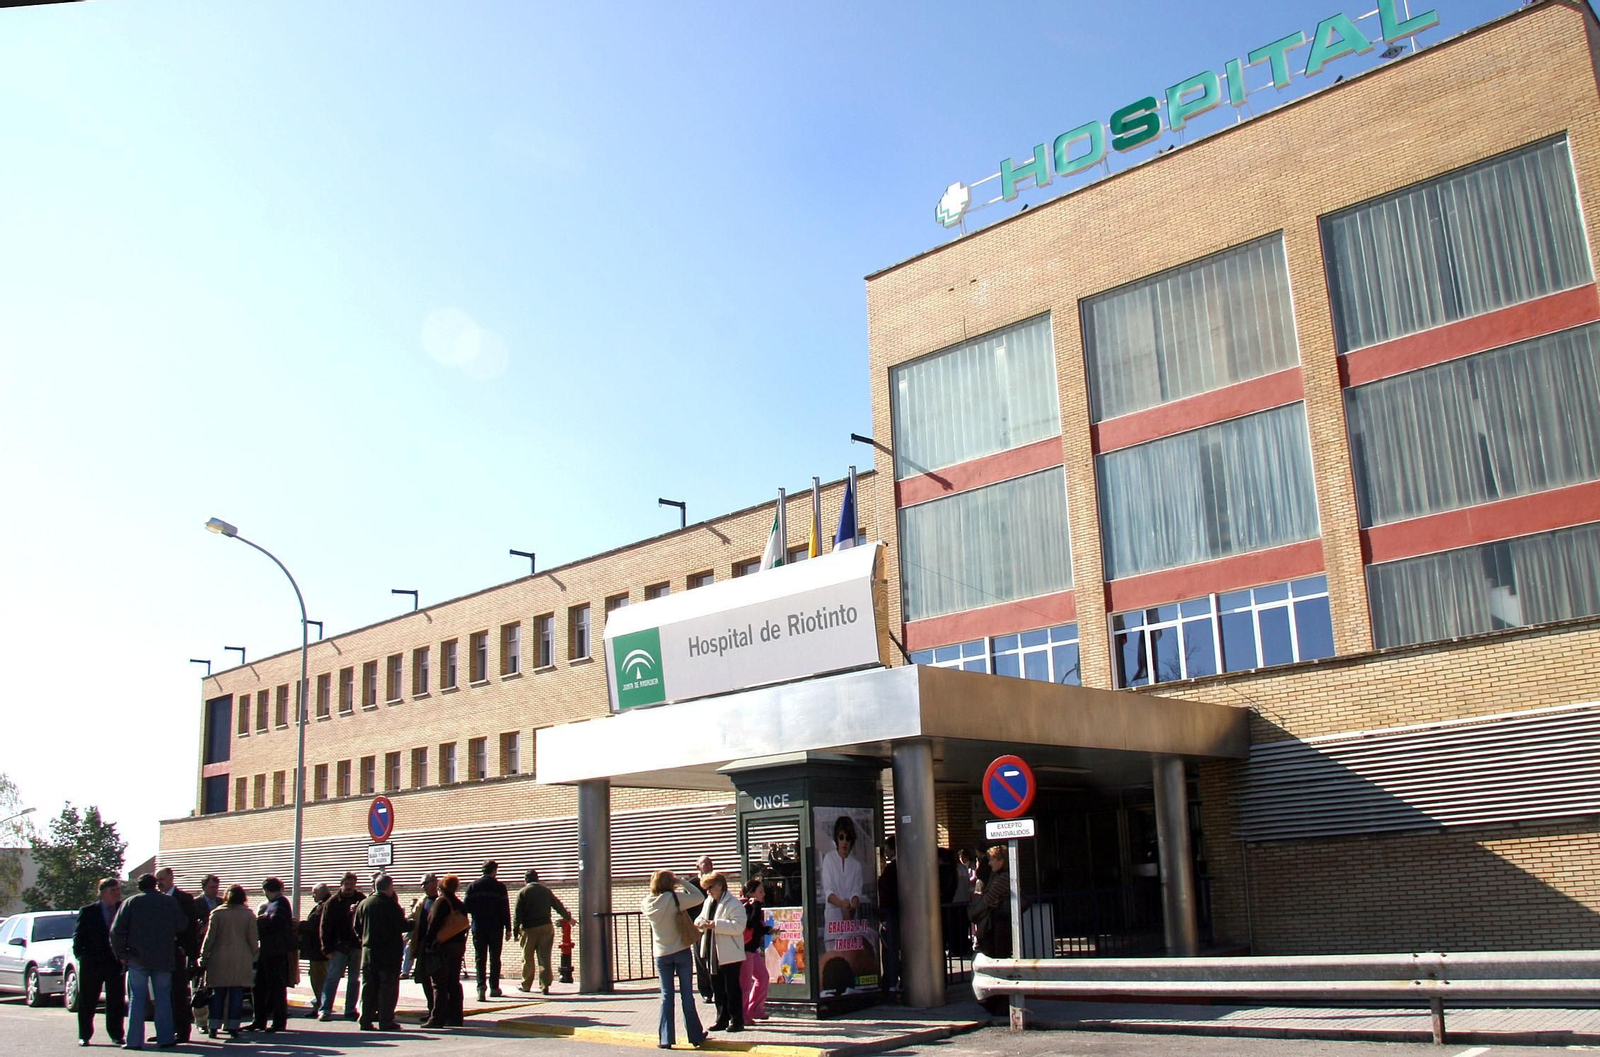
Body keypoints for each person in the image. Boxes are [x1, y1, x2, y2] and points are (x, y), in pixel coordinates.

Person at [109, 872, 189, 1050]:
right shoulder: (169, 902)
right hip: (164, 956)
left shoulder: (131, 902)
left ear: (139, 886)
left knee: (137, 998)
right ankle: (165, 1037)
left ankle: (134, 1040)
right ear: (155, 885)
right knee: (163, 997)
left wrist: (121, 954)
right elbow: (182, 924)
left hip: (137, 957)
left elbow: (116, 931)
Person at [642, 869, 706, 1050]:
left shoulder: (646, 903)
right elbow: (699, 897)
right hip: (681, 950)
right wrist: (682, 881)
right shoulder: (674, 898)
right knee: (687, 994)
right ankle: (695, 1035)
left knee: (666, 995)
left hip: (661, 953)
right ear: (670, 883)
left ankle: (666, 1038)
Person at [198, 884, 258, 1038]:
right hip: (241, 958)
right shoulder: (248, 915)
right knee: (236, 993)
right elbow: (253, 939)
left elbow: (209, 938)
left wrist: (204, 956)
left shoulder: (217, 913)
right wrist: (254, 955)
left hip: (218, 958)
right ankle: (233, 1026)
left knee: (218, 993)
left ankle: (213, 1025)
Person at [72, 877, 124, 1048]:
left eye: (117, 889)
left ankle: (116, 1034)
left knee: (116, 1001)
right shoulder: (88, 911)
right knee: (88, 1000)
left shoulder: (122, 908)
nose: (116, 893)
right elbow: (78, 937)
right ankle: (84, 1035)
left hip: (115, 962)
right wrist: (82, 956)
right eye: (112, 890)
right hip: (92, 963)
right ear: (102, 893)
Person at [354, 874, 408, 1031]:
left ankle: (365, 1019)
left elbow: (356, 926)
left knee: (368, 987)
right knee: (387, 988)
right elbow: (401, 926)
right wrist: (412, 922)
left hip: (368, 952)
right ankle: (386, 1020)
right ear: (389, 887)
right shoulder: (390, 905)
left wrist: (364, 939)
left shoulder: (364, 903)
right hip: (388, 954)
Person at [154, 866, 202, 1044]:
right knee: (163, 994)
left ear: (171, 878)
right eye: (157, 880)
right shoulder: (156, 899)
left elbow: (191, 926)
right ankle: (166, 1030)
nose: (159, 883)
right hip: (160, 953)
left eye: (162, 879)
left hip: (178, 952)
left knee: (178, 993)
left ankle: (182, 1031)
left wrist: (188, 950)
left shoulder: (184, 898)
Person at [695, 871, 745, 1034]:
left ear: (719, 886)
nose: (708, 892)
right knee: (717, 987)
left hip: (730, 953)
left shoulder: (733, 903)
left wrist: (715, 924)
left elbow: (738, 926)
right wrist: (700, 922)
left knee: (731, 988)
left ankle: (737, 1020)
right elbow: (700, 918)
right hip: (712, 952)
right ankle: (721, 1019)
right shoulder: (708, 902)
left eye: (710, 888)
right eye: (706, 888)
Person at [512, 868, 571, 995]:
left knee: (527, 958)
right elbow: (558, 905)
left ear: (525, 880)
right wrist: (568, 918)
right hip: (546, 927)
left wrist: (515, 932)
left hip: (529, 928)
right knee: (544, 958)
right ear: (537, 879)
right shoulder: (546, 891)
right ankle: (545, 986)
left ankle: (526, 984)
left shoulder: (523, 892)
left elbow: (517, 914)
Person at [968, 846, 1012, 1016]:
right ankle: (994, 1000)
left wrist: (973, 911)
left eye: (993, 859)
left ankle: (1000, 1002)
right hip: (993, 926)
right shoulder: (995, 875)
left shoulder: (1003, 878)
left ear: (1002, 860)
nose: (990, 863)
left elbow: (988, 898)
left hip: (999, 926)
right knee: (992, 961)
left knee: (998, 961)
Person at [249, 876, 297, 1033]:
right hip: (267, 951)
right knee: (259, 987)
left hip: (275, 951)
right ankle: (259, 1020)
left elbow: (277, 921)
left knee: (276, 987)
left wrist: (263, 920)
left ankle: (278, 1021)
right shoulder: (273, 903)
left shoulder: (280, 903)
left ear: (266, 890)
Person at [423, 874, 470, 1028]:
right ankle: (456, 1016)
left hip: (442, 946)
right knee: (453, 982)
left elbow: (433, 925)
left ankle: (437, 1018)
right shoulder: (460, 904)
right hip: (457, 947)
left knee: (439, 984)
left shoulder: (441, 902)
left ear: (442, 887)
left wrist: (428, 943)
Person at [318, 871, 364, 1021]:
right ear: (341, 885)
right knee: (333, 977)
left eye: (352, 884)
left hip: (356, 945)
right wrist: (326, 948)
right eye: (347, 884)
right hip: (338, 947)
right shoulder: (332, 902)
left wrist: (357, 912)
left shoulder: (361, 899)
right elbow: (325, 926)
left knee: (354, 979)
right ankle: (325, 1009)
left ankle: (350, 1009)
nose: (350, 887)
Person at [465, 860, 511, 1002]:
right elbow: (505, 909)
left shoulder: (473, 886)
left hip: (478, 927)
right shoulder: (500, 887)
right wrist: (508, 928)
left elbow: (466, 907)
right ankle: (494, 988)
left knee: (480, 958)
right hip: (496, 927)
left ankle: (481, 988)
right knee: (495, 958)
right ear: (494, 871)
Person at [821, 816, 863, 949]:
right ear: (837, 838)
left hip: (850, 922)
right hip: (833, 922)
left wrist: (853, 904)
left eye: (848, 838)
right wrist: (841, 904)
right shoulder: (829, 859)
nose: (844, 842)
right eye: (841, 837)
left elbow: (856, 892)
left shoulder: (856, 865)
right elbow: (828, 891)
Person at [407, 874, 440, 1021]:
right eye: (421, 884)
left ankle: (439, 1012)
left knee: (437, 981)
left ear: (434, 883)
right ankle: (431, 1009)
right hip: (422, 945)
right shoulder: (422, 901)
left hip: (436, 947)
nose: (422, 887)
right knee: (424, 978)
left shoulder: (441, 901)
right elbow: (413, 919)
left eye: (425, 883)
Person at [739, 879, 771, 1024]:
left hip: (753, 950)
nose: (763, 894)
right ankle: (743, 1014)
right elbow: (750, 924)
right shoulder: (746, 906)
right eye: (760, 891)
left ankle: (755, 1008)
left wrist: (768, 930)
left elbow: (756, 928)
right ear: (751, 893)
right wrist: (756, 906)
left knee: (763, 977)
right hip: (745, 950)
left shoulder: (755, 907)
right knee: (745, 984)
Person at [299, 884, 332, 1017]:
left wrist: (301, 925)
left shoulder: (325, 905)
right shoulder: (323, 905)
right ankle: (319, 1004)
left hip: (319, 951)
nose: (313, 896)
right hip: (317, 951)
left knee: (319, 980)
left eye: (314, 893)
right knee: (317, 978)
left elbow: (316, 925)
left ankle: (321, 1005)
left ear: (321, 892)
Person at [878, 837, 900, 995]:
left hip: (891, 914)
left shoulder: (891, 870)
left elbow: (885, 892)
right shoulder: (906, 866)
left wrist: (883, 916)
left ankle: (891, 982)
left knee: (890, 949)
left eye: (886, 849)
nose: (885, 853)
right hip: (902, 913)